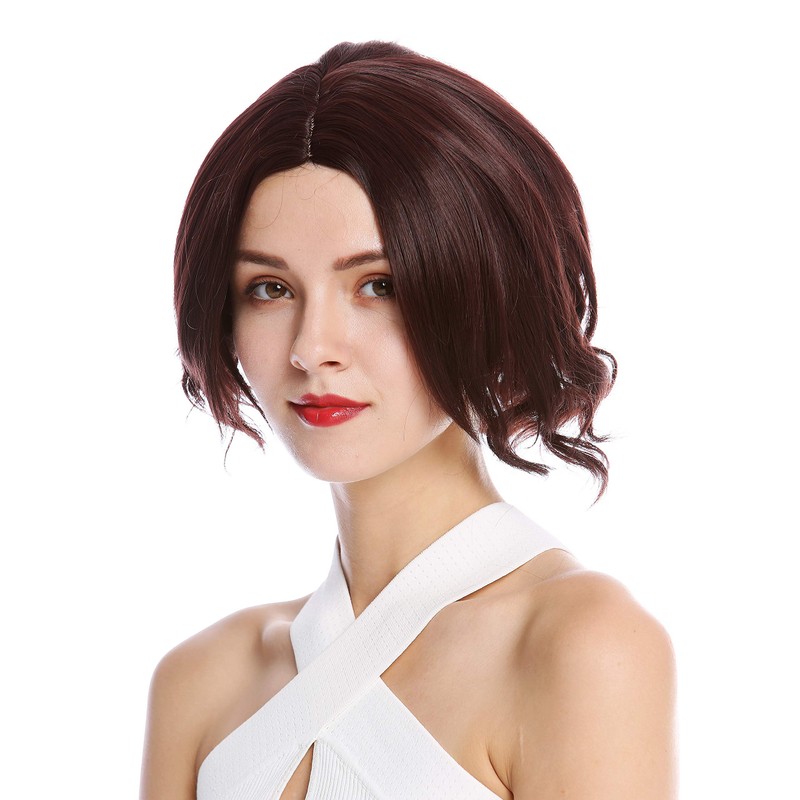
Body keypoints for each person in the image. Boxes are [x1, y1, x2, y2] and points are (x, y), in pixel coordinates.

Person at [140, 40, 677, 800]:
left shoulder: (578, 646)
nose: (312, 349)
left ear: (487, 292)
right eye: (269, 289)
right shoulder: (200, 683)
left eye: (379, 284)